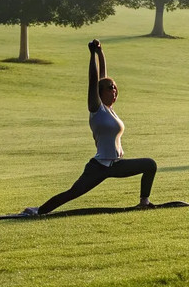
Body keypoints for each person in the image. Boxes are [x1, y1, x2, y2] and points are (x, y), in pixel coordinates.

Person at [21, 40, 157, 216]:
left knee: (150, 165)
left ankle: (144, 202)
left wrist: (101, 53)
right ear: (100, 93)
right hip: (99, 167)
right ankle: (38, 210)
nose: (114, 91)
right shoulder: (96, 109)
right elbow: (95, 80)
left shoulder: (110, 111)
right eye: (110, 88)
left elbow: (103, 77)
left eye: (115, 88)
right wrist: (92, 55)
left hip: (116, 165)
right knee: (73, 193)